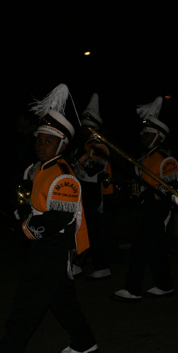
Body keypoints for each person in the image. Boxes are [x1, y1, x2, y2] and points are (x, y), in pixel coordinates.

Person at [0, 84, 97, 353]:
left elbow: (57, 219)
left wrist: (27, 226)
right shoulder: (37, 169)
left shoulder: (63, 174)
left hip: (53, 247)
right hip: (44, 245)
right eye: (39, 141)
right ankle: (84, 341)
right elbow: (33, 203)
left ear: (61, 146)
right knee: (61, 300)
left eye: (47, 142)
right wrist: (21, 211)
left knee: (28, 300)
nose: (40, 146)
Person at [111, 96, 178, 301]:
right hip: (149, 207)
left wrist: (150, 189)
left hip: (159, 210)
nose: (142, 136)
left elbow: (171, 190)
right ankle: (165, 285)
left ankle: (133, 289)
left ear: (158, 137)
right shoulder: (145, 157)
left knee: (140, 249)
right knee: (155, 249)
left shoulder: (165, 159)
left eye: (147, 134)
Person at [70, 93, 114, 280]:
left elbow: (93, 169)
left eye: (86, 126)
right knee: (84, 228)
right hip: (83, 191)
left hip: (94, 192)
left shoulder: (99, 146)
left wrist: (80, 155)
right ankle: (83, 262)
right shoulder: (86, 144)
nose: (82, 129)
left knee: (92, 231)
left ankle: (99, 265)